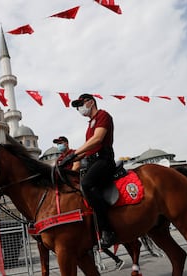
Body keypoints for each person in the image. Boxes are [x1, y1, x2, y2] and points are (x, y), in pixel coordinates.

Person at [59, 93, 116, 248]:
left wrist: (73, 154)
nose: (79, 108)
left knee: (86, 184)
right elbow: (86, 151)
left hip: (104, 160)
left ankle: (107, 230)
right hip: (92, 161)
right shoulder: (90, 124)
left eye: (81, 104)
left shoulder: (103, 116)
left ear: (91, 102)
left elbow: (97, 140)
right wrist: (68, 161)